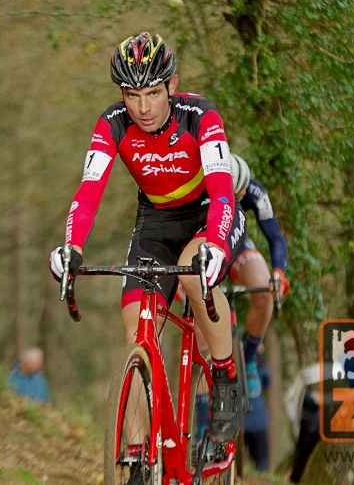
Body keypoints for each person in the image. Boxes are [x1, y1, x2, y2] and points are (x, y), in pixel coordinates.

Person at [49, 32, 247, 443]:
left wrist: (215, 243)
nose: (143, 108)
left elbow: (223, 190)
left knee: (194, 276)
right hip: (155, 221)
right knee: (135, 334)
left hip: (208, 214)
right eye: (132, 95)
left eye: (153, 93)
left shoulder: (200, 115)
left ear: (171, 86)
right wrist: (71, 246)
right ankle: (139, 457)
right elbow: (88, 191)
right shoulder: (112, 124)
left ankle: (225, 375)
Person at [228, 153, 290, 398]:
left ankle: (250, 357)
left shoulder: (254, 191)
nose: (239, 198)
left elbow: (275, 237)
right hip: (203, 245)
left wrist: (278, 272)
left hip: (236, 246)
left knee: (264, 290)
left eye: (240, 194)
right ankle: (202, 417)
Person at [243, 346, 271, 473]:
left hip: (241, 421)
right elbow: (268, 380)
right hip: (259, 421)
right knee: (262, 460)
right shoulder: (261, 364)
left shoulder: (236, 364)